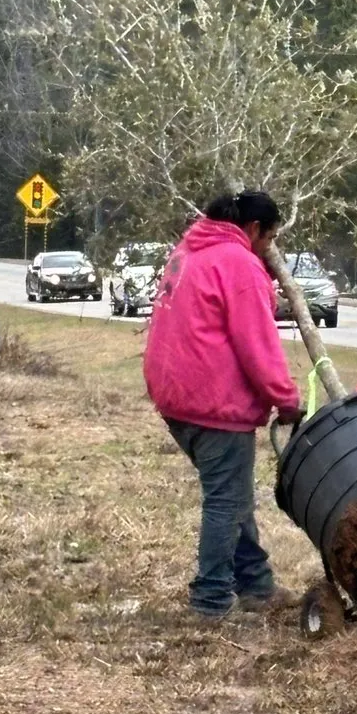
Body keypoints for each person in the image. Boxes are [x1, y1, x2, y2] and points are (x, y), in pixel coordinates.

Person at [143, 191, 304, 621]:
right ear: (254, 230)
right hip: (213, 402)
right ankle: (211, 597)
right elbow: (257, 345)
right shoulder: (239, 264)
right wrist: (285, 399)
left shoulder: (190, 250)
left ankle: (255, 583)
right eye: (269, 239)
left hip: (177, 397)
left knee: (232, 496)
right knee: (226, 500)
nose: (268, 250)